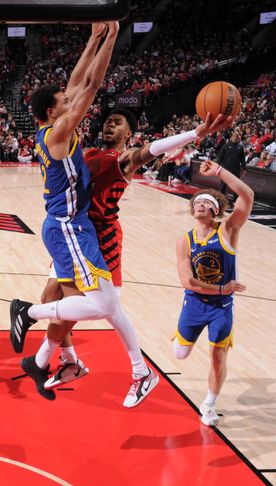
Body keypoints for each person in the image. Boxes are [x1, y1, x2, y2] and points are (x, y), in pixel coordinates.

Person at [39, 108, 233, 407]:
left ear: (128, 132)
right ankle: (69, 359)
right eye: (106, 122)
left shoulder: (124, 160)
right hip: (72, 232)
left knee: (104, 306)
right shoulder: (87, 152)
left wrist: (195, 134)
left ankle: (137, 371)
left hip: (101, 237)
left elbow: (149, 151)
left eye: (117, 123)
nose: (109, 126)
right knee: (50, 298)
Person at [9, 21, 127, 401]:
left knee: (57, 296)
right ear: (52, 111)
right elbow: (90, 86)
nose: (69, 98)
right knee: (87, 303)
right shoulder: (59, 133)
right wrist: (112, 37)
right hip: (68, 226)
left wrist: (92, 37)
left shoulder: (50, 127)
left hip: (62, 223)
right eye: (63, 100)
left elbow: (77, 83)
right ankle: (26, 316)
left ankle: (46, 360)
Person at [174, 160, 253, 426]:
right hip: (195, 302)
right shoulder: (185, 240)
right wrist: (221, 286)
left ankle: (209, 403)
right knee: (180, 354)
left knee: (218, 356)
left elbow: (247, 195)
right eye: (196, 202)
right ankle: (182, 335)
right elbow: (187, 281)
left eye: (205, 202)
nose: (199, 204)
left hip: (222, 307)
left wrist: (218, 171)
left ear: (215, 210)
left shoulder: (228, 230)